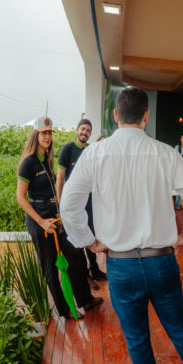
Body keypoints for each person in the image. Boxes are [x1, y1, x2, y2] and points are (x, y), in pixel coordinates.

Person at [60, 88, 183, 364]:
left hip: (120, 265)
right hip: (162, 261)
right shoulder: (165, 153)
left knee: (136, 337)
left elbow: (69, 204)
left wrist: (89, 241)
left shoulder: (95, 154)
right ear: (146, 116)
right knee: (180, 329)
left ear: (115, 115)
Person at [16, 116, 102, 320]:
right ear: (36, 135)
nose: (47, 137)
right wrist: (41, 222)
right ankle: (64, 311)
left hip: (55, 218)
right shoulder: (28, 163)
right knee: (51, 268)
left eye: (49, 133)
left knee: (75, 256)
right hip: (40, 222)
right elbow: (20, 198)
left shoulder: (46, 159)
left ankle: (85, 300)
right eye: (43, 133)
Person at [56, 118, 107, 289]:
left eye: (88, 130)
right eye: (83, 129)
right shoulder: (68, 149)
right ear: (77, 130)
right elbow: (60, 178)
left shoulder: (91, 150)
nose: (85, 132)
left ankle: (95, 270)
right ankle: (85, 276)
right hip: (73, 203)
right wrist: (60, 204)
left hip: (90, 201)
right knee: (78, 237)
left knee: (90, 234)